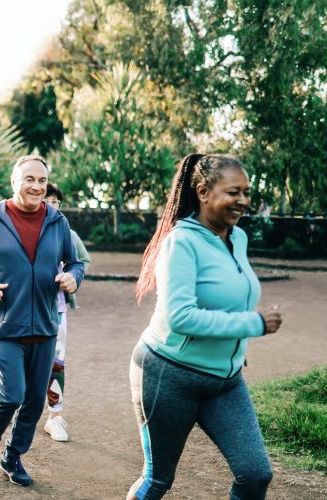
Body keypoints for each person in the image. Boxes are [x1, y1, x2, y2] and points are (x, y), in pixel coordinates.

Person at [128, 154, 283, 499]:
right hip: (169, 375)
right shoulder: (181, 242)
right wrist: (253, 323)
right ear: (202, 191)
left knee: (255, 474)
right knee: (158, 480)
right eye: (233, 192)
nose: (243, 200)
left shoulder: (237, 238)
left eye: (246, 192)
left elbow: (232, 296)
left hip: (225, 381)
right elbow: (180, 317)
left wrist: (233, 348)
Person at [0, 155, 85, 487]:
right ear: (15, 182)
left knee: (35, 400)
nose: (37, 187)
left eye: (42, 181)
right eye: (30, 179)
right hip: (5, 324)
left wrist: (73, 277)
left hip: (44, 323)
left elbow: (76, 261)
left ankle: (12, 456)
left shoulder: (57, 221)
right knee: (11, 394)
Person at [42, 183, 91, 442]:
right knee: (27, 365)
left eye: (56, 202)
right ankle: (22, 414)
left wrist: (71, 276)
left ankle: (55, 417)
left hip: (56, 309)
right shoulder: (20, 230)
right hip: (24, 310)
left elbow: (81, 261)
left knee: (57, 362)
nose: (52, 206)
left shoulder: (66, 233)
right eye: (47, 201)